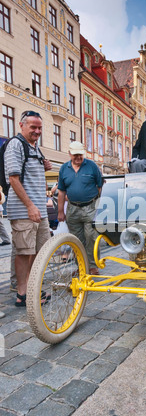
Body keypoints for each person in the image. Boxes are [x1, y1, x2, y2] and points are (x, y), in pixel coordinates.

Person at [4, 110, 52, 306]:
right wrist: (30, 206)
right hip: (25, 210)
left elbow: (30, 174)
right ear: (21, 125)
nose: (37, 131)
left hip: (38, 210)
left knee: (39, 251)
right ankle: (22, 293)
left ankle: (32, 288)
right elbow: (13, 179)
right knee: (24, 252)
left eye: (40, 127)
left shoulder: (34, 146)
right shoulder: (15, 145)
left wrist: (44, 166)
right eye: (33, 127)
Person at [57, 141, 103, 275]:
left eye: (80, 155)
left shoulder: (92, 166)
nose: (78, 157)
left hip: (91, 206)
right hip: (73, 208)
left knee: (91, 238)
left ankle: (93, 266)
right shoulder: (64, 168)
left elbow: (100, 187)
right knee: (77, 240)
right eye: (75, 155)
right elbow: (61, 191)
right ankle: (81, 267)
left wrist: (101, 207)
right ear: (70, 153)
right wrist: (60, 211)